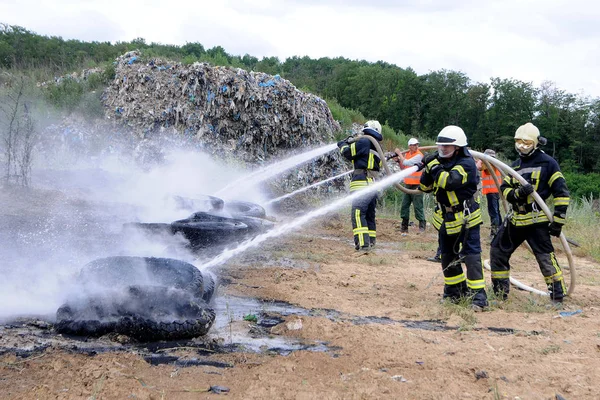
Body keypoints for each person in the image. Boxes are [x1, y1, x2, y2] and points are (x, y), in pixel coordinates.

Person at [490, 122, 570, 304]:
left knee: (545, 258)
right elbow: (504, 190)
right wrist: (518, 194)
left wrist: (558, 221)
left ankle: (557, 297)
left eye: (526, 143)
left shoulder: (548, 163)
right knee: (497, 251)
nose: (522, 146)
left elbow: (562, 193)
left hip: (537, 221)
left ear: (536, 142)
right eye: (518, 142)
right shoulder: (515, 166)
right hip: (516, 219)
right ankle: (499, 295)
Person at [418, 125, 488, 310]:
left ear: (458, 147)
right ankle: (454, 293)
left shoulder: (467, 163)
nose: (442, 149)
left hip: (466, 219)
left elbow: (449, 182)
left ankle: (478, 298)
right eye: (440, 146)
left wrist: (433, 166)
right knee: (447, 257)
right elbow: (424, 188)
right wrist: (427, 170)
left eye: (446, 147)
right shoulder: (440, 164)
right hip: (445, 219)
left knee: (471, 257)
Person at [337, 121, 383, 252]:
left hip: (362, 184)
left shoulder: (364, 142)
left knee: (358, 214)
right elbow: (358, 159)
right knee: (369, 215)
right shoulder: (376, 146)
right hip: (372, 185)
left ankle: (363, 245)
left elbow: (348, 153)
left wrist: (342, 144)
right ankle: (371, 242)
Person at [394, 138, 426, 234]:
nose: (416, 146)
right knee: (404, 205)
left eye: (416, 144)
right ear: (409, 146)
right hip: (407, 184)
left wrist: (399, 154)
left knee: (418, 206)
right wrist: (398, 161)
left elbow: (407, 163)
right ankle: (404, 227)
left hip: (417, 185)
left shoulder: (419, 155)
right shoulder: (407, 154)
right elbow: (404, 167)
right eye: (413, 145)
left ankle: (422, 226)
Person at [476, 149, 502, 241]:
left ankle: (495, 233)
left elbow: (479, 167)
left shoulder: (489, 164)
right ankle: (500, 231)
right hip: (494, 191)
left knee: (493, 212)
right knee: (496, 211)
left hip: (492, 191)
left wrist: (480, 160)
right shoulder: (493, 164)